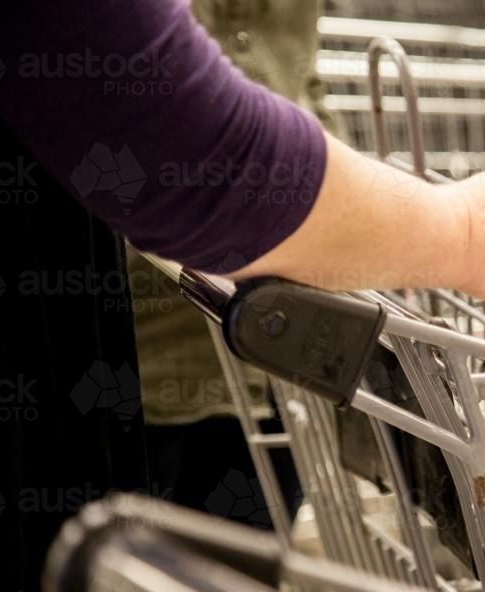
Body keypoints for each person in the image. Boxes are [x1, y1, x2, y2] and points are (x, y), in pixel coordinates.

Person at [0, 1, 485, 592]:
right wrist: (456, 230)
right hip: (152, 358)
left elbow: (285, 86)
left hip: (269, 354)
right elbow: (179, 141)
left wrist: (363, 241)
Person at [129, 0, 343, 527]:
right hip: (153, 343)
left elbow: (303, 83)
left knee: (244, 579)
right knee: (123, 589)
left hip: (282, 336)